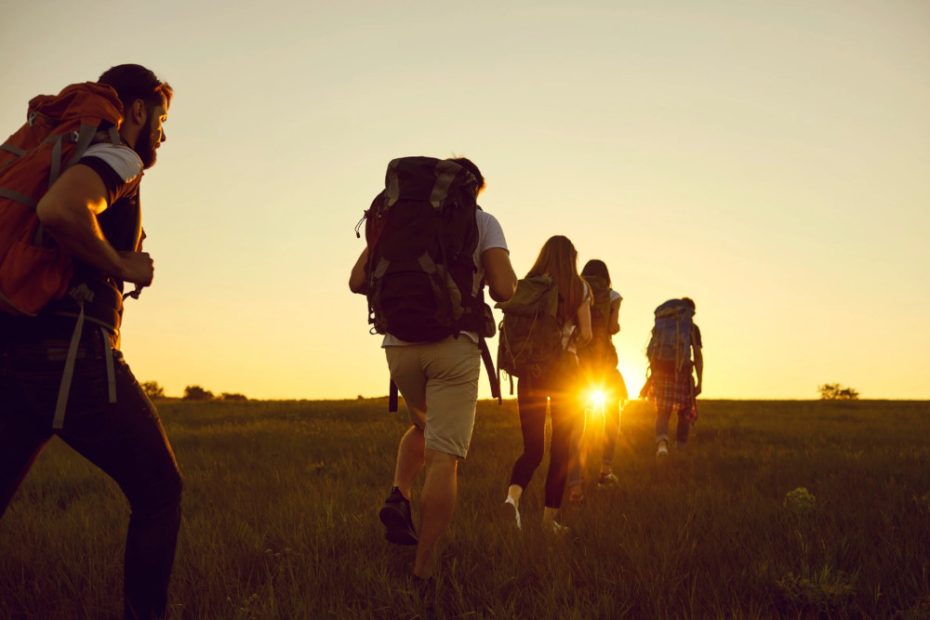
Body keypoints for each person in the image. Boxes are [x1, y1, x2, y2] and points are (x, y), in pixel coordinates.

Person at [0, 64, 181, 619]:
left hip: (9, 351)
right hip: (71, 358)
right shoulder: (116, 153)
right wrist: (121, 262)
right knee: (160, 492)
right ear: (140, 110)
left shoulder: (52, 148)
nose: (163, 135)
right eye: (163, 119)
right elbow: (61, 210)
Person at [349, 157, 516, 579]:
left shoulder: (403, 218)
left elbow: (356, 280)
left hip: (399, 347)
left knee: (425, 427)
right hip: (454, 346)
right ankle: (424, 571)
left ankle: (399, 494)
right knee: (444, 458)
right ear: (474, 188)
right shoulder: (483, 221)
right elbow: (504, 287)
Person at [503, 235, 591, 534]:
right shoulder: (578, 287)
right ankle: (548, 521)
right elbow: (589, 334)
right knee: (561, 450)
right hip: (565, 375)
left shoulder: (530, 284)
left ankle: (512, 499)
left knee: (533, 449)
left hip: (531, 372)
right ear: (571, 258)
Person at [566, 259, 628, 501]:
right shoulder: (613, 296)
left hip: (578, 363)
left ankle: (574, 486)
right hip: (604, 364)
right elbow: (612, 328)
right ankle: (605, 471)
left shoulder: (576, 290)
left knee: (576, 427)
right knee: (612, 415)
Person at [642, 297, 703, 456]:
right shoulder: (691, 328)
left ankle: (661, 445)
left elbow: (651, 351)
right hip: (681, 373)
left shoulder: (662, 326)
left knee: (663, 411)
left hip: (661, 371)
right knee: (684, 412)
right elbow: (697, 355)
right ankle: (680, 448)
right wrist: (700, 381)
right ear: (690, 312)